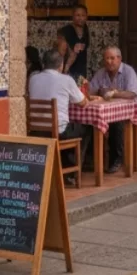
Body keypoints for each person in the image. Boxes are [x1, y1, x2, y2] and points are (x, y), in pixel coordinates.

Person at [28, 50, 90, 185]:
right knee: (85, 128)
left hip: (36, 130)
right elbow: (83, 103)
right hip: (58, 131)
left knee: (69, 127)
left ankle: (63, 167)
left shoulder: (33, 78)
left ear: (44, 64)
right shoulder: (66, 79)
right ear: (61, 65)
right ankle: (70, 172)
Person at [88, 46, 137, 173]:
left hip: (129, 112)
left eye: (112, 58)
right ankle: (91, 160)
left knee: (117, 123)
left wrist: (112, 93)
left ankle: (116, 159)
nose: (109, 62)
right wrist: (98, 90)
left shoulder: (129, 71)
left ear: (119, 59)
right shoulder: (101, 73)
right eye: (106, 58)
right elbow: (90, 89)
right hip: (107, 111)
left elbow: (132, 93)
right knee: (90, 122)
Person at [59, 5, 91, 80]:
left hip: (81, 69)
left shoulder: (85, 29)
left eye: (83, 15)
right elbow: (61, 52)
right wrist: (64, 70)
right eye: (78, 15)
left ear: (87, 17)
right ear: (72, 16)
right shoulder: (65, 31)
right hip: (67, 69)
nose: (81, 18)